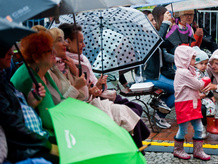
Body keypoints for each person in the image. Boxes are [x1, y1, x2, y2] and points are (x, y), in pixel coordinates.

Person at [58, 23, 150, 152]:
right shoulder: (62, 65)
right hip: (85, 107)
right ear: (67, 42)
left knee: (132, 110)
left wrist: (98, 85)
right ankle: (135, 149)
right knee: (126, 113)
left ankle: (135, 149)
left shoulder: (83, 59)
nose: (84, 45)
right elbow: (74, 97)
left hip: (96, 99)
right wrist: (90, 89)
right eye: (80, 42)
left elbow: (91, 86)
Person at [47, 27, 140, 133]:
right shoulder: (58, 67)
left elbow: (87, 90)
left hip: (92, 101)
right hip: (80, 112)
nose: (65, 43)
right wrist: (81, 85)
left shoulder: (77, 60)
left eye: (64, 40)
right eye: (60, 40)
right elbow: (64, 104)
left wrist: (97, 85)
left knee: (133, 111)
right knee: (128, 114)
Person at [0, 41, 59, 163]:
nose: (11, 52)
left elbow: (18, 111)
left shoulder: (4, 79)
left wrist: (30, 102)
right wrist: (47, 146)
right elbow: (12, 125)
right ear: (36, 57)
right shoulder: (28, 76)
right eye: (48, 50)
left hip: (37, 137)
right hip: (28, 146)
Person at [11, 31, 65, 132]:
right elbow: (49, 121)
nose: (55, 53)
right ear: (36, 57)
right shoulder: (29, 78)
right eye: (49, 50)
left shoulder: (44, 72)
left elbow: (61, 99)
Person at [173, 45, 211, 161]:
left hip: (192, 102)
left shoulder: (188, 70)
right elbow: (198, 85)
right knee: (183, 129)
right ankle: (178, 149)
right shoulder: (183, 72)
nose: (195, 61)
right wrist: (205, 80)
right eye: (193, 58)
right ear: (185, 58)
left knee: (198, 127)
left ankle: (198, 151)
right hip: (185, 104)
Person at [139, 8, 175, 129]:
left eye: (154, 20)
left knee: (181, 86)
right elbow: (157, 41)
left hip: (158, 75)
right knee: (181, 89)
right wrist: (165, 23)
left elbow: (165, 46)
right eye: (151, 21)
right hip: (149, 77)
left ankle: (159, 103)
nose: (154, 23)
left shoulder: (152, 35)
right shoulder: (143, 38)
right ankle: (159, 115)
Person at [193, 46, 218, 138]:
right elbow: (201, 86)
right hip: (197, 96)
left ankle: (215, 126)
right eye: (201, 63)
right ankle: (206, 127)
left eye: (206, 63)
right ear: (195, 64)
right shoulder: (196, 73)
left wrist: (211, 95)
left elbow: (208, 85)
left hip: (204, 95)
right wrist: (209, 94)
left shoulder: (204, 72)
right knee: (210, 106)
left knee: (215, 107)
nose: (204, 66)